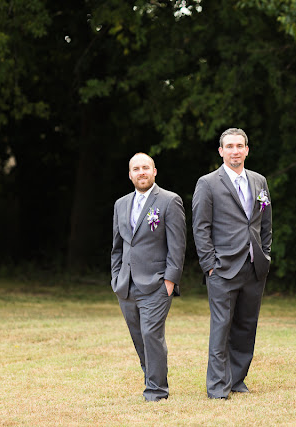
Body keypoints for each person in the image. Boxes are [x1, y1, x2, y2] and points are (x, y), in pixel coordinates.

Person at [192, 128, 272, 400]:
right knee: (221, 326)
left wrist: (266, 254)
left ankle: (237, 379)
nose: (235, 151)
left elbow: (266, 222)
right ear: (221, 151)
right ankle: (217, 386)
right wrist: (209, 265)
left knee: (246, 326)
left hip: (254, 266)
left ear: (247, 149)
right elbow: (200, 227)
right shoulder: (208, 183)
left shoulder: (259, 181)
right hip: (222, 268)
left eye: (240, 146)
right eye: (230, 146)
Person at [110, 152, 187, 401]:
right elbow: (118, 246)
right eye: (136, 169)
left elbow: (178, 245)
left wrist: (170, 281)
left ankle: (156, 390)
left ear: (154, 172)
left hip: (156, 283)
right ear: (130, 174)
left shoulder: (169, 201)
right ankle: (151, 378)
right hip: (126, 285)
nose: (141, 172)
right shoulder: (121, 204)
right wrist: (116, 277)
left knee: (152, 335)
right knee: (139, 337)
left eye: (146, 167)